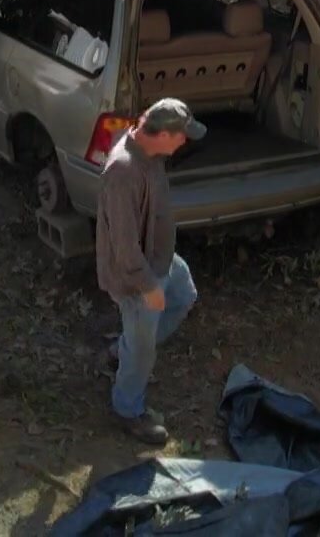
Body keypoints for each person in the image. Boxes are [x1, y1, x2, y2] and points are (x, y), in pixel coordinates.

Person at [96, 98, 205, 445]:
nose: (184, 143)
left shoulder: (150, 151)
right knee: (143, 349)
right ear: (159, 134)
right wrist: (148, 287)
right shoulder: (122, 172)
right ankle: (127, 409)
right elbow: (125, 247)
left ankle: (122, 352)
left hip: (160, 260)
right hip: (136, 276)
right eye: (180, 136)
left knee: (184, 296)